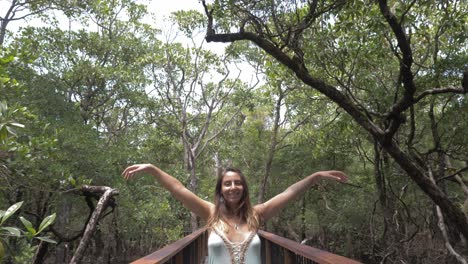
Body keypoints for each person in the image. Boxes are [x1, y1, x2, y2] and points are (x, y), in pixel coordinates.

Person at [122, 164, 348, 264]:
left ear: (244, 188)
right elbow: (178, 189)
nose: (233, 187)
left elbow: (289, 192)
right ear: (221, 189)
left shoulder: (256, 214)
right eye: (227, 184)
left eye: (237, 183)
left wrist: (315, 176)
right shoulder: (210, 213)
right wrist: (152, 169)